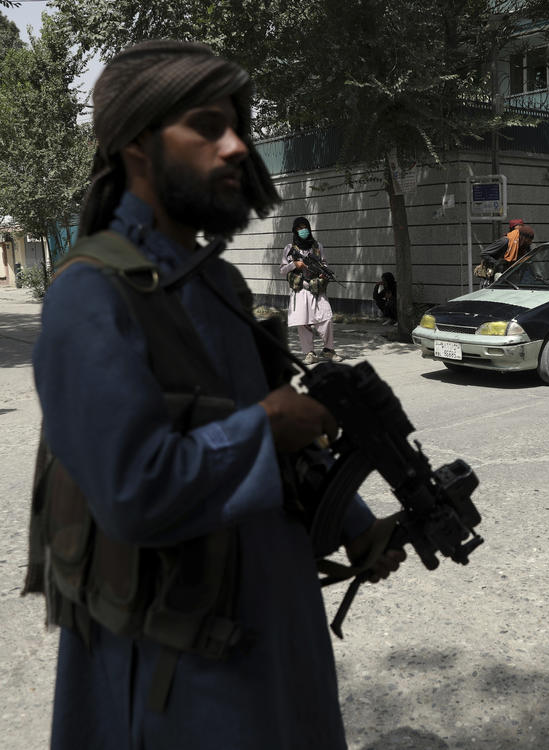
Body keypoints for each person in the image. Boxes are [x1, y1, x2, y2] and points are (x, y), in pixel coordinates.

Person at [26, 40, 404, 749]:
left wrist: (353, 522)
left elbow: (283, 440)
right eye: (206, 126)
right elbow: (134, 491)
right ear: (138, 143)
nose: (235, 147)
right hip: (183, 680)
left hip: (276, 636)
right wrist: (265, 426)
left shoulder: (218, 283)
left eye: (238, 127)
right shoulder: (90, 294)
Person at [280, 216, 340, 363]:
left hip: (317, 288)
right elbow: (282, 270)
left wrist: (322, 271)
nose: (303, 231)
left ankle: (328, 350)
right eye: (299, 228)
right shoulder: (289, 248)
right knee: (303, 322)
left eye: (304, 227)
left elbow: (324, 263)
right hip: (300, 289)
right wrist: (295, 265)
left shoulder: (318, 246)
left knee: (326, 318)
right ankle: (309, 353)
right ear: (295, 231)